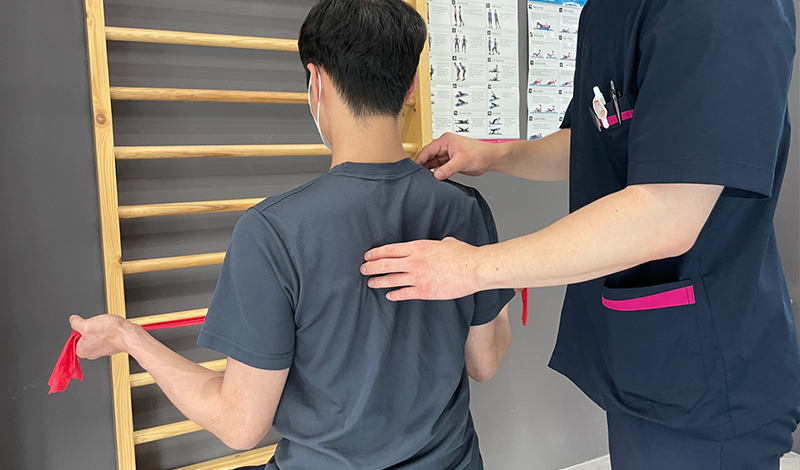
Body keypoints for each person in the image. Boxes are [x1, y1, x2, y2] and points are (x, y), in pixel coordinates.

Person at [70, 1, 514, 469]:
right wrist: (502, 290)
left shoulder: (271, 232)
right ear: (410, 88)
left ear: (316, 81)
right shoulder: (464, 208)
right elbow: (483, 362)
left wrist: (129, 338)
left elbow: (239, 424)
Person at [360, 0, 800, 469]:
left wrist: (473, 268)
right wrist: (498, 154)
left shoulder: (723, 11)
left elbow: (669, 212)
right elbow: (598, 138)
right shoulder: (607, 11)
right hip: (640, 356)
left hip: (708, 369)